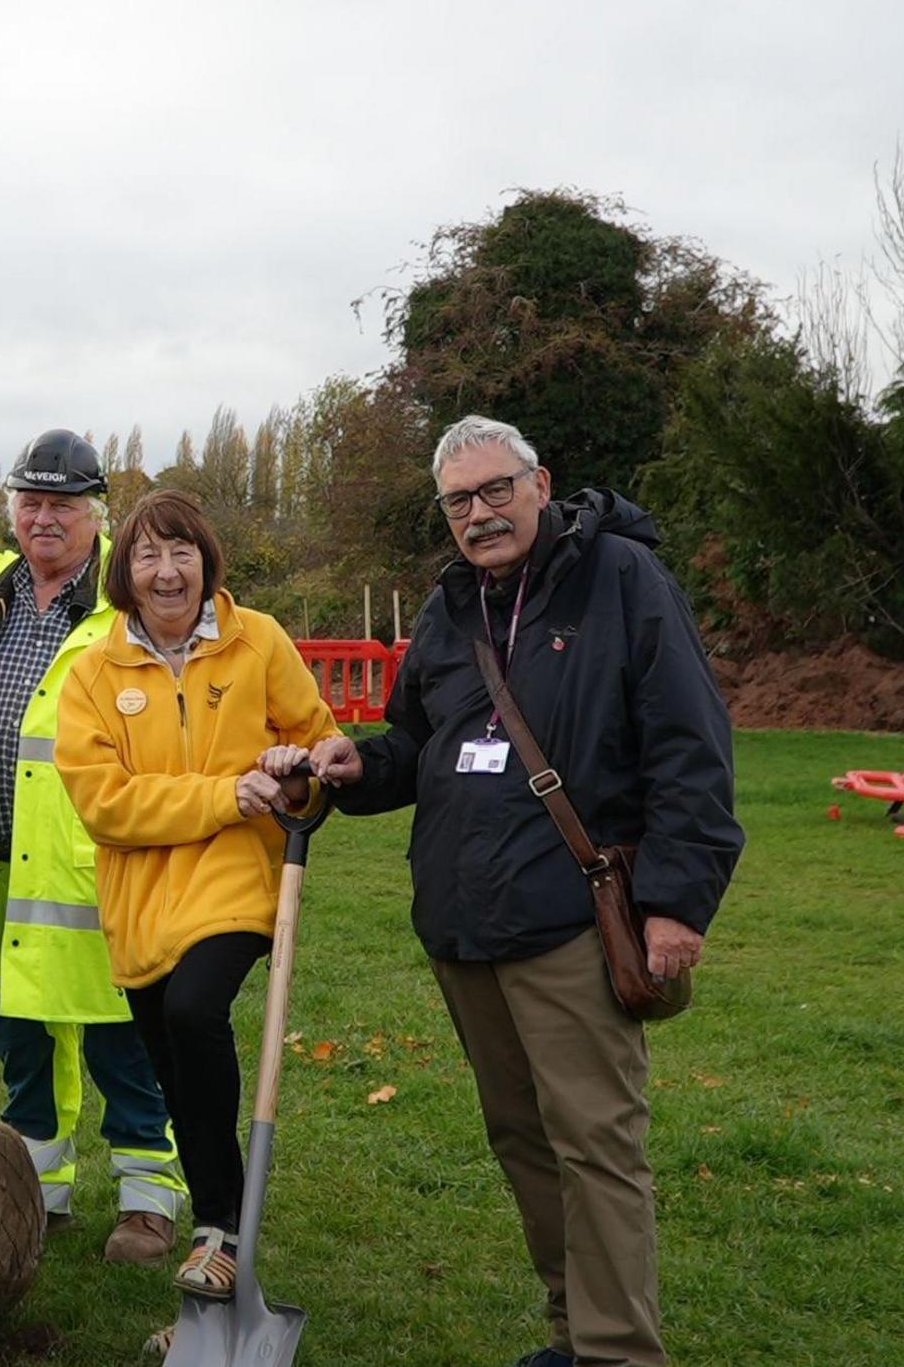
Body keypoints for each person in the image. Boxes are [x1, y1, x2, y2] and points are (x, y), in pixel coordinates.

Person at [310, 416, 742, 1367]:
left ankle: (620, 1352)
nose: (480, 514)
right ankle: (572, 1334)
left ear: (540, 484)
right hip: (467, 923)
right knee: (522, 1138)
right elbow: (420, 748)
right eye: (459, 501)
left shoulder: (625, 582)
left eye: (496, 490)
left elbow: (691, 747)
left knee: (596, 1145)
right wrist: (358, 765)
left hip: (572, 920)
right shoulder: (449, 608)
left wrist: (675, 901)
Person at [54, 489, 340, 1302]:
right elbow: (105, 804)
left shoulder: (259, 643)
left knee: (193, 1012)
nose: (168, 570)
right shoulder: (93, 675)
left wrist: (297, 775)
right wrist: (225, 793)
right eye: (148, 555)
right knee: (173, 1062)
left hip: (239, 879)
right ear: (126, 572)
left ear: (206, 560)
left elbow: (316, 742)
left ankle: (219, 1227)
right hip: (141, 900)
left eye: (182, 552)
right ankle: (218, 1237)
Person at [0, 429, 184, 1263]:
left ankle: (148, 1201)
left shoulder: (126, 600)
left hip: (98, 870)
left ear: (95, 514)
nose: (44, 518)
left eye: (62, 504)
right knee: (20, 1043)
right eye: (30, 502)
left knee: (121, 1042)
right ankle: (43, 1193)